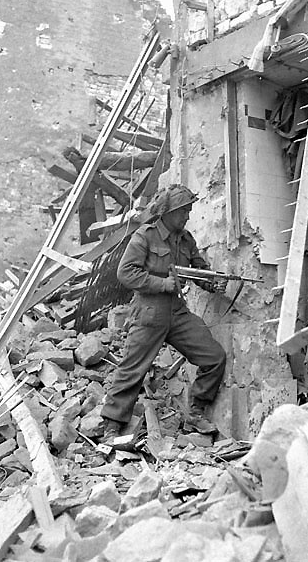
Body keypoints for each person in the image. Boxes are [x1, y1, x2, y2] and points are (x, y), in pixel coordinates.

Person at [101, 184, 227, 443]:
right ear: (168, 212)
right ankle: (111, 426)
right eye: (183, 211)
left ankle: (196, 412)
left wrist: (215, 282)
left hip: (177, 314)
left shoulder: (186, 240)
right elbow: (125, 273)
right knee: (133, 369)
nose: (187, 216)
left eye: (189, 211)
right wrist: (161, 284)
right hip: (149, 312)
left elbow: (198, 271)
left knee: (214, 357)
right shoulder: (145, 236)